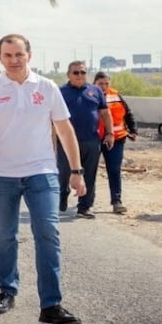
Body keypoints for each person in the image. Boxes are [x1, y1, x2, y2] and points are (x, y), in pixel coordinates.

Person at [0, 33, 87, 324]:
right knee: (6, 235)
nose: (14, 60)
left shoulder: (46, 87)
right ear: (1, 58)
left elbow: (65, 130)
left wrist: (77, 171)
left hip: (42, 172)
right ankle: (7, 290)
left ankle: (51, 304)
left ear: (29, 55)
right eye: (7, 56)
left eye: (19, 54)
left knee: (48, 232)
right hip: (0, 174)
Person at [57, 61, 114, 219]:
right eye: (76, 72)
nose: (79, 75)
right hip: (66, 142)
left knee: (89, 174)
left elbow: (105, 113)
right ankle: (63, 193)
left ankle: (85, 207)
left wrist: (110, 133)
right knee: (64, 173)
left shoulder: (95, 90)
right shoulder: (60, 92)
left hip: (91, 140)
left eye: (83, 72)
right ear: (69, 75)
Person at [93, 71, 138, 215]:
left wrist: (133, 129)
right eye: (101, 84)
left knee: (114, 170)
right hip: (94, 138)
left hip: (117, 138)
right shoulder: (88, 95)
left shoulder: (116, 95)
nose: (104, 86)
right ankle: (87, 199)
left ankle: (116, 201)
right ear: (94, 83)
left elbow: (128, 113)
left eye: (106, 83)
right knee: (90, 170)